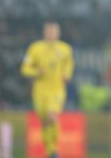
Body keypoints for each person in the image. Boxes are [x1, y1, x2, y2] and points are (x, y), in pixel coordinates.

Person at [21, 21, 74, 158]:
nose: (51, 33)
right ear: (44, 32)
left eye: (54, 31)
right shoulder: (35, 48)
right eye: (48, 31)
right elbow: (25, 69)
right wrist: (37, 71)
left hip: (57, 90)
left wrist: (67, 75)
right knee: (45, 122)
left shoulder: (65, 49)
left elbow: (69, 66)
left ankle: (55, 150)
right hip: (40, 91)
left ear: (58, 33)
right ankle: (50, 151)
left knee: (52, 116)